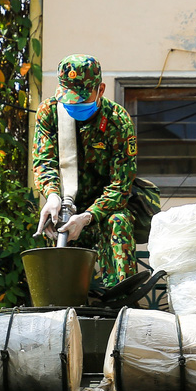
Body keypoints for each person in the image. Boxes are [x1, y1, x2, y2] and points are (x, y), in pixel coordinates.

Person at [32, 54, 138, 289]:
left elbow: (120, 186)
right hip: (66, 207)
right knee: (50, 227)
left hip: (104, 210)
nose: (74, 104)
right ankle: (61, 297)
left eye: (81, 98)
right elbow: (44, 162)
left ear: (101, 90)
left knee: (119, 222)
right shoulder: (49, 112)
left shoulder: (117, 120)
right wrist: (52, 196)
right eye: (69, 98)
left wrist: (88, 216)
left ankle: (120, 295)